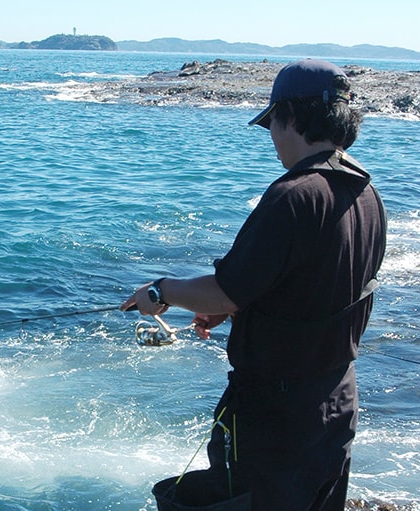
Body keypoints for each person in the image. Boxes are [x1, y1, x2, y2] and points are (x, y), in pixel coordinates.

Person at [121, 59, 387, 510]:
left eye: (271, 125)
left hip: (275, 416)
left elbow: (223, 290)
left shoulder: (294, 195)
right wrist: (240, 306)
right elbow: (316, 287)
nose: (271, 138)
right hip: (336, 401)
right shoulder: (365, 192)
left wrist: (160, 291)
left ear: (290, 117)